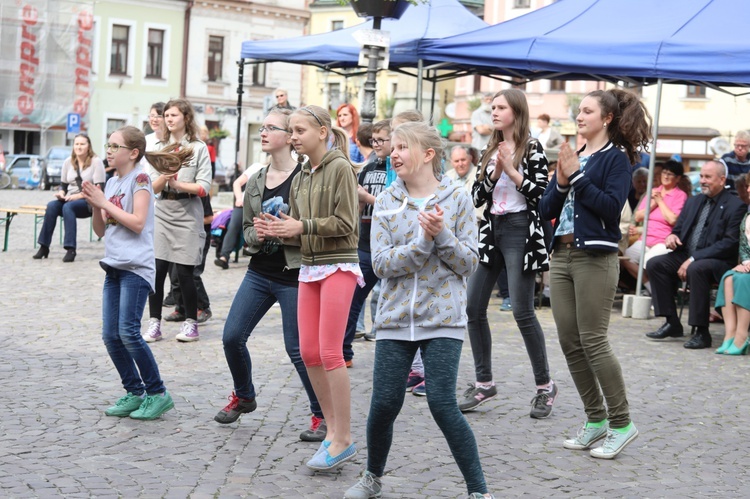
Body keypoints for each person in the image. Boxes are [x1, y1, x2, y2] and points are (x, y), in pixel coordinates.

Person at [344, 121, 494, 499]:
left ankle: (478, 491)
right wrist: (422, 243)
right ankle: (372, 477)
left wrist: (441, 235)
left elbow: (468, 263)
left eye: (401, 147)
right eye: (391, 147)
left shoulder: (457, 198)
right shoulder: (389, 201)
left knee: (443, 404)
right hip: (394, 318)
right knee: (383, 404)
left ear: (428, 154)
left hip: (443, 319)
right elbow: (380, 264)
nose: (393, 154)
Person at [540, 88, 652, 459]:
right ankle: (595, 419)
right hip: (562, 255)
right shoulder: (575, 155)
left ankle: (621, 423)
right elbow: (546, 209)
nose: (579, 115)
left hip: (595, 258)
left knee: (593, 340)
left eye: (587, 111)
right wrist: (561, 180)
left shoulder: (615, 159)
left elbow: (608, 209)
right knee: (570, 342)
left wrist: (577, 178)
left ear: (606, 118)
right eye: (579, 110)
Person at [214, 108, 326, 442]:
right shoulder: (256, 180)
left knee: (297, 349)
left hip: (294, 274)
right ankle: (244, 395)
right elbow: (247, 228)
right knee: (232, 337)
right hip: (259, 272)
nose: (262, 133)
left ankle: (321, 413)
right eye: (261, 127)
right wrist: (257, 235)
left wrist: (288, 230)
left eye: (270, 127)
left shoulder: (307, 177)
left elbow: (316, 228)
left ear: (289, 136)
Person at [264, 105, 360, 471]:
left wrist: (300, 227)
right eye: (291, 131)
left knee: (331, 352)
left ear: (323, 131)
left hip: (339, 264)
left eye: (299, 130)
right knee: (308, 352)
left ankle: (344, 437)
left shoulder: (339, 167)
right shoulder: (304, 172)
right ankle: (332, 432)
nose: (293, 137)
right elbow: (297, 223)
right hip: (310, 266)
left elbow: (346, 223)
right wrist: (276, 227)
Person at [82, 125, 191, 420]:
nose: (108, 150)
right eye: (107, 144)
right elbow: (101, 230)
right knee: (110, 335)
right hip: (114, 265)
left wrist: (104, 202)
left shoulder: (140, 178)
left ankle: (157, 393)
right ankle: (134, 391)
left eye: (114, 146)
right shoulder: (113, 180)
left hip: (136, 268)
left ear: (132, 153)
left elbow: (139, 222)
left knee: (129, 333)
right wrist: (96, 206)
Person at [459, 88, 556, 419]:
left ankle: (545, 386)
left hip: (520, 231)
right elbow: (475, 196)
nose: (494, 113)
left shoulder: (532, 149)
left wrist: (512, 172)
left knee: (522, 312)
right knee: (472, 308)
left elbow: (542, 196)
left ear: (516, 111)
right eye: (492, 107)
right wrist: (495, 172)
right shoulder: (490, 149)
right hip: (491, 230)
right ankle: (483, 382)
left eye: (501, 107)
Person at [646, 160, 745, 349]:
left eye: (708, 177)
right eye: (701, 176)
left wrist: (693, 259)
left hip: (717, 261)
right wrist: (673, 236)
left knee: (697, 269)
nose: (703, 181)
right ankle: (671, 322)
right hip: (686, 254)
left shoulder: (735, 205)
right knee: (655, 264)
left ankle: (701, 332)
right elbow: (679, 228)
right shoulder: (694, 201)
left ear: (722, 179)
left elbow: (729, 244)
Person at [143, 98, 213, 343]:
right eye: (166, 115)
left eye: (174, 115)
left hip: (187, 213)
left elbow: (205, 187)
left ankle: (191, 323)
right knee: (157, 271)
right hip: (162, 211)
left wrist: (179, 183)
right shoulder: (158, 146)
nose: (169, 119)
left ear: (186, 118)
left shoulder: (198, 148)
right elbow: (151, 187)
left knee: (184, 273)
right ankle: (154, 324)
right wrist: (165, 177)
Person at [342, 119, 391, 368]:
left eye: (382, 140)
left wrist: (367, 196)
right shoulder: (369, 165)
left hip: (388, 244)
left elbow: (398, 206)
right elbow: (359, 203)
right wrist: (360, 202)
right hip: (364, 240)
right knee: (353, 298)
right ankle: (344, 351)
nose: (376, 144)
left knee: (389, 300)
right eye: (374, 140)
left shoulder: (397, 168)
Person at [34, 133, 106, 262]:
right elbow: (63, 185)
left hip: (89, 201)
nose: (79, 147)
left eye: (82, 144)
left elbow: (98, 189)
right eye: (76, 144)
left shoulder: (96, 161)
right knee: (52, 206)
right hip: (69, 199)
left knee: (68, 207)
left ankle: (70, 249)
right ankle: (44, 246)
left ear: (88, 146)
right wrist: (61, 193)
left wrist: (78, 196)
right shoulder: (68, 162)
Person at [622, 160, 688, 289]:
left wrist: (660, 201)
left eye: (670, 174)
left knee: (649, 261)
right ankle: (651, 289)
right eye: (664, 173)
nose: (666, 176)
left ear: (678, 178)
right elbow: (638, 216)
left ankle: (659, 291)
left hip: (664, 240)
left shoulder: (680, 195)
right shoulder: (652, 191)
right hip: (645, 238)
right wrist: (653, 203)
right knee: (626, 257)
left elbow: (672, 219)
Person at [715, 172, 750, 355]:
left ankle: (742, 336)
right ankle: (730, 333)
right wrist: (745, 262)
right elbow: (744, 246)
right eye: (748, 185)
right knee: (728, 278)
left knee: (744, 281)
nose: (749, 189)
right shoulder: (748, 215)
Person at [214, 163, 264, 270]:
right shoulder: (257, 166)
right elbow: (237, 183)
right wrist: (239, 198)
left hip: (263, 207)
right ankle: (224, 257)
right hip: (244, 204)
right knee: (233, 225)